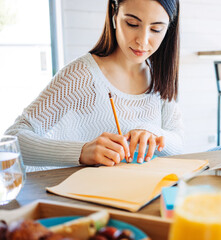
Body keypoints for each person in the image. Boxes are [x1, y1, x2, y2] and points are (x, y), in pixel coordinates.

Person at [5, 0, 183, 171]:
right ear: (114, 14)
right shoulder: (82, 74)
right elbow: (13, 139)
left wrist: (150, 132)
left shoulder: (159, 75)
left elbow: (179, 144)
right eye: (132, 24)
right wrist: (81, 151)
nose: (143, 41)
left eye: (156, 29)